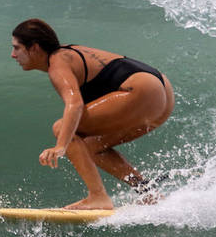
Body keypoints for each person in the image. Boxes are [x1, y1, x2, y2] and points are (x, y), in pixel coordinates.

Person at [11, 18, 174, 210]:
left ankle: (98, 197)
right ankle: (148, 192)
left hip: (140, 90)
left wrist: (61, 146)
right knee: (92, 146)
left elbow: (75, 104)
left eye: (17, 48)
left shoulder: (57, 65)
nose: (13, 55)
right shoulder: (67, 53)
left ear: (35, 48)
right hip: (161, 91)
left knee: (62, 127)